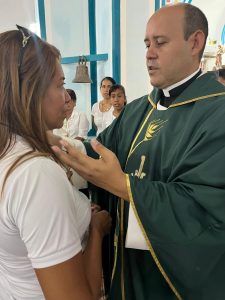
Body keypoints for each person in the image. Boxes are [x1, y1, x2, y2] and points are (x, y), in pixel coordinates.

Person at [53, 3, 225, 300]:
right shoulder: (137, 110)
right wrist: (50, 142)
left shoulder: (217, 112)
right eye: (147, 44)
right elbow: (97, 152)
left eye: (160, 42)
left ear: (195, 43)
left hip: (169, 280)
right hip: (126, 265)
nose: (149, 53)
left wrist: (122, 185)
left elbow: (206, 209)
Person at [0, 25, 111, 300]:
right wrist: (95, 230)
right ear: (31, 90)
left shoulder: (9, 151)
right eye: (60, 85)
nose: (66, 97)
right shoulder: (35, 174)